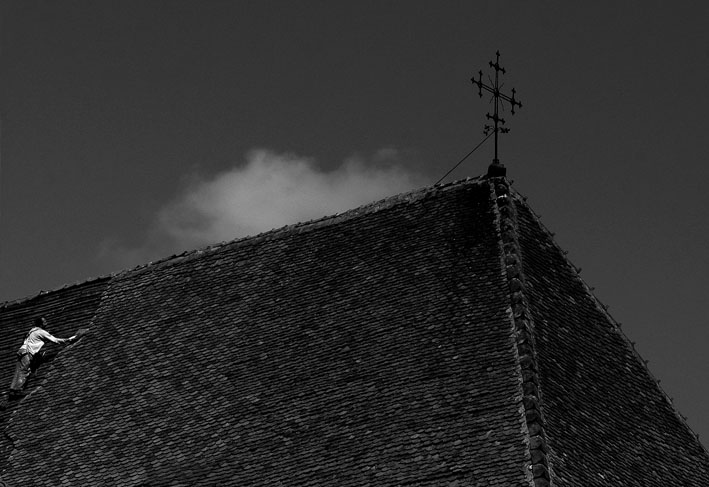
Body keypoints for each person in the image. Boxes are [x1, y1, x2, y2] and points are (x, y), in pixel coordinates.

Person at [9, 317, 77, 396]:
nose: (46, 323)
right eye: (44, 322)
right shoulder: (40, 332)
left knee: (19, 371)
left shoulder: (31, 331)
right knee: (25, 371)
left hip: (22, 351)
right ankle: (18, 390)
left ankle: (12, 390)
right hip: (27, 353)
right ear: (41, 324)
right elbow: (55, 340)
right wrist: (69, 339)